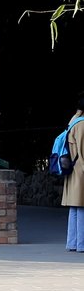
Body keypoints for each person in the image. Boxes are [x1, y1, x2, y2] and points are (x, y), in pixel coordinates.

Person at [64, 95, 84, 252]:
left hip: (72, 169)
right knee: (82, 207)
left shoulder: (73, 121)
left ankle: (72, 243)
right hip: (81, 170)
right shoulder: (82, 124)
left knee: (75, 208)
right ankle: (81, 244)